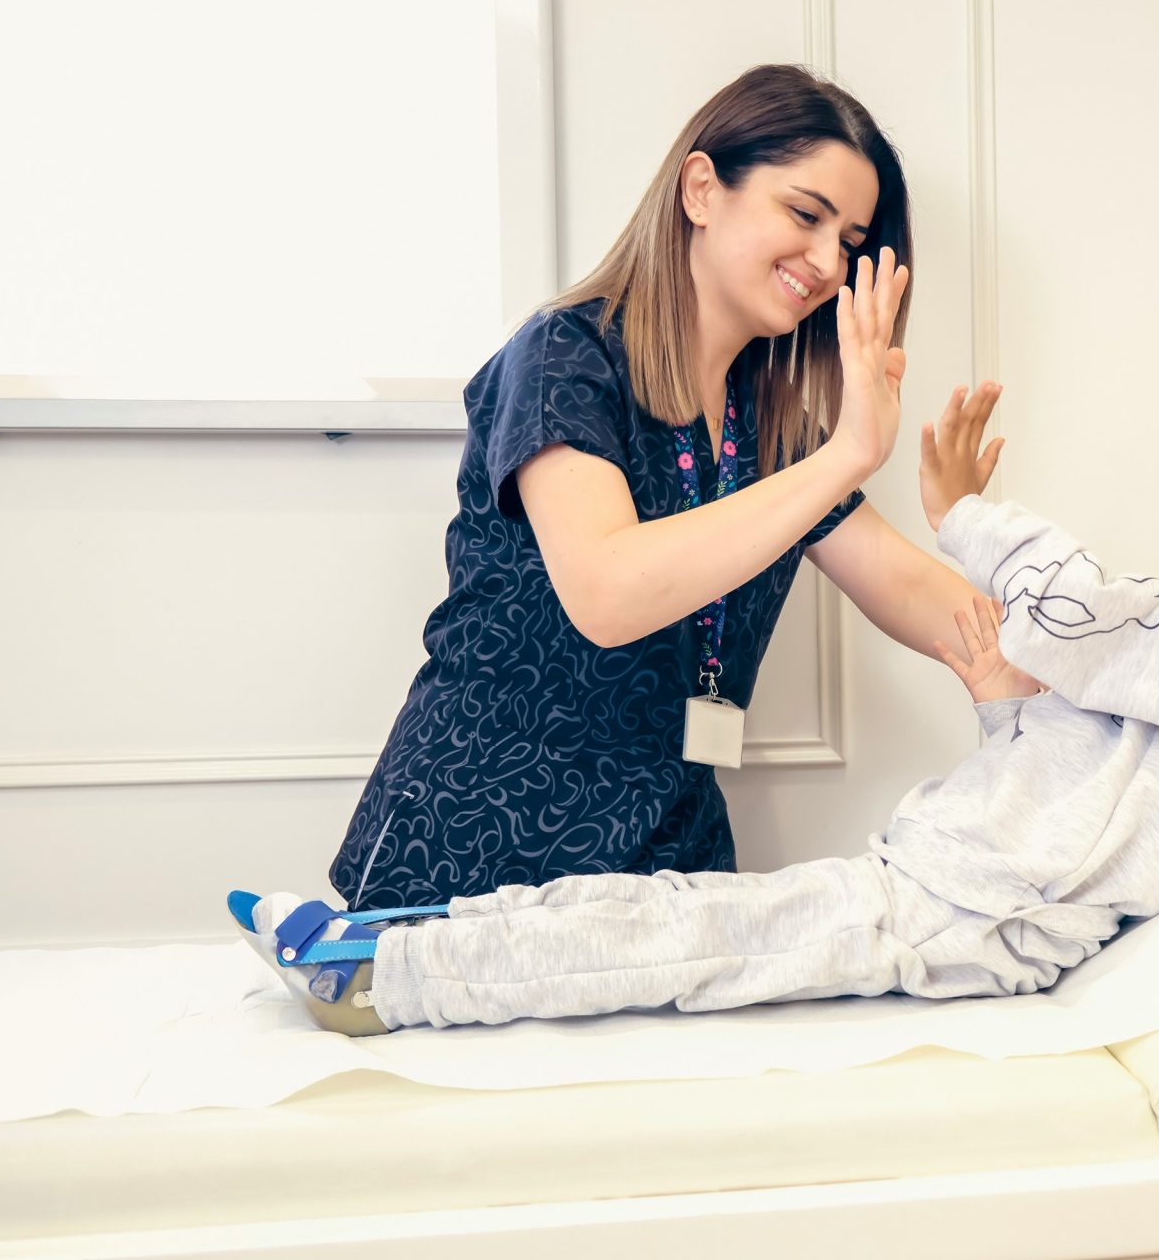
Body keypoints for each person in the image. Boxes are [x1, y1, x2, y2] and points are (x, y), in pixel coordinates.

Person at [234, 432, 1159, 1036]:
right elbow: (1092, 784)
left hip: (959, 916)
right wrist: (1011, 698)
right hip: (954, 897)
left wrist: (969, 511)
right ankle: (395, 940)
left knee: (674, 935)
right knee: (657, 912)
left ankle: (383, 978)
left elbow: (1088, 611)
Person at [327, 64, 1009, 910]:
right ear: (700, 188)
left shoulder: (779, 429)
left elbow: (934, 605)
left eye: (853, 242)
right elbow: (607, 593)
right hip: (474, 858)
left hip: (665, 868)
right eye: (805, 214)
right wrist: (846, 455)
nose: (831, 262)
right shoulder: (563, 356)